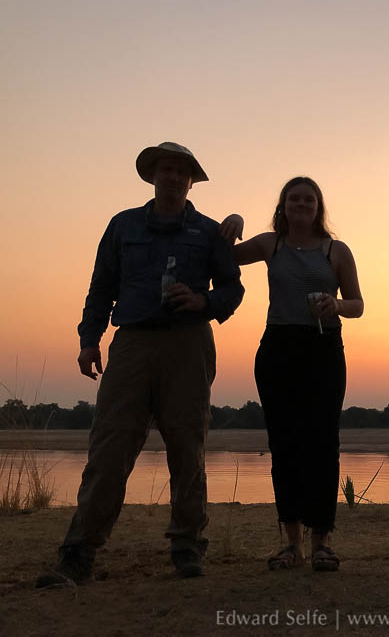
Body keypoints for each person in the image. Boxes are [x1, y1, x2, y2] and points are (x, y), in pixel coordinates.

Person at [36, 142, 244, 587]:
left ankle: (187, 548)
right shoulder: (122, 225)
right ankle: (79, 553)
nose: (172, 177)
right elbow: (101, 286)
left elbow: (232, 289)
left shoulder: (208, 232)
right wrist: (88, 340)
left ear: (191, 180)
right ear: (153, 176)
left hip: (188, 345)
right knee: (109, 450)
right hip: (129, 344)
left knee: (188, 450)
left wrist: (204, 301)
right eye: (165, 169)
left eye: (181, 171)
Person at [223, 176, 363, 572]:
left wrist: (335, 305)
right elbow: (223, 255)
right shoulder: (272, 244)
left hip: (324, 349)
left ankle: (322, 543)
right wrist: (234, 219)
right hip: (278, 348)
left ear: (319, 207)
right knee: (284, 446)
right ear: (283, 206)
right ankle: (291, 545)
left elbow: (358, 304)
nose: (301, 204)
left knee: (322, 444)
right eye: (294, 198)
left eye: (309, 199)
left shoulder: (336, 250)